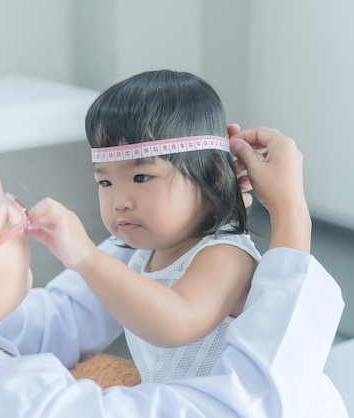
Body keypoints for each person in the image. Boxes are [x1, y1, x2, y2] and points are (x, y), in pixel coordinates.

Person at [0, 124, 346, 418]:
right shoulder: (22, 406)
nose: (23, 211)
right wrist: (292, 217)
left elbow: (62, 316)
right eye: (3, 211)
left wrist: (157, 229)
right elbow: (243, 406)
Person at [48, 70, 262, 383]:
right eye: (105, 181)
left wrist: (87, 260)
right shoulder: (145, 253)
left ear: (214, 175)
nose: (119, 201)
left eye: (141, 177)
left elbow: (179, 321)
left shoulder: (226, 254)